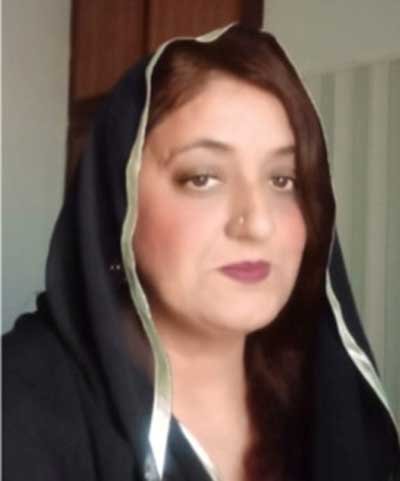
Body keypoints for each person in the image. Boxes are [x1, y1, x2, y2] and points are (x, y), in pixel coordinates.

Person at [3, 24, 399, 481]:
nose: (258, 223)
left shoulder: (327, 405)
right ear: (117, 203)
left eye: (282, 179)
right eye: (202, 178)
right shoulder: (19, 404)